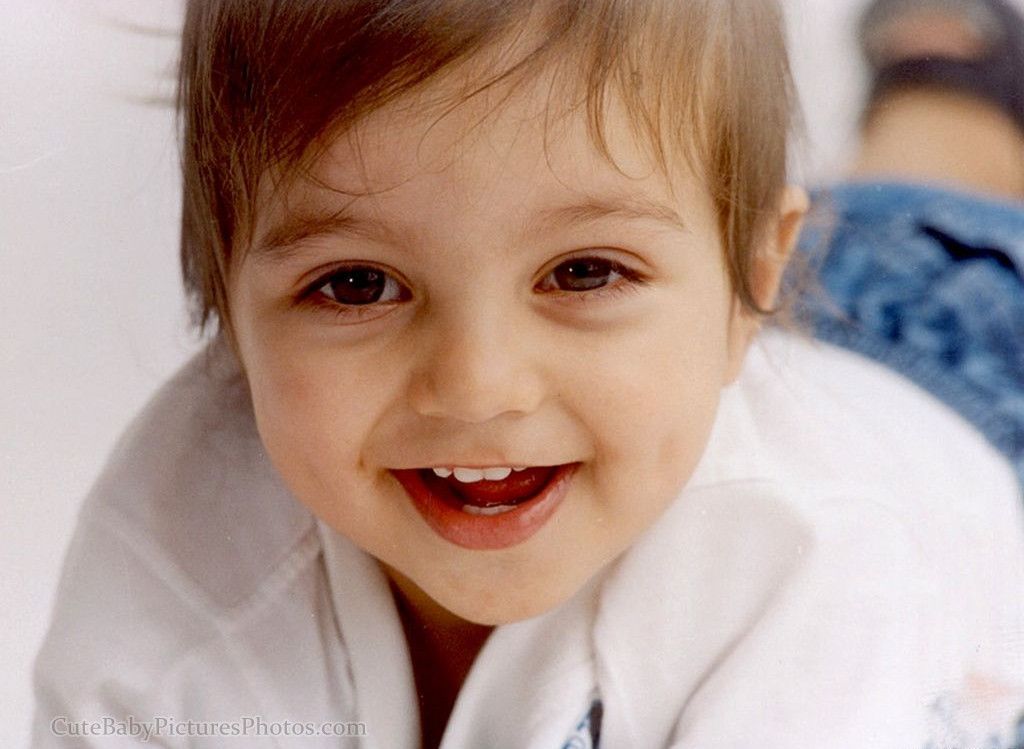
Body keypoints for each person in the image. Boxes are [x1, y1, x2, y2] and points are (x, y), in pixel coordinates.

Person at [30, 1, 1024, 747]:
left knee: (927, 187)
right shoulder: (175, 562)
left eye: (583, 270)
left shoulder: (823, 567)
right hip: (736, 352)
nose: (475, 386)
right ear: (225, 313)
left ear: (746, 286)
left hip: (962, 374)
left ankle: (942, 63)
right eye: (357, 284)